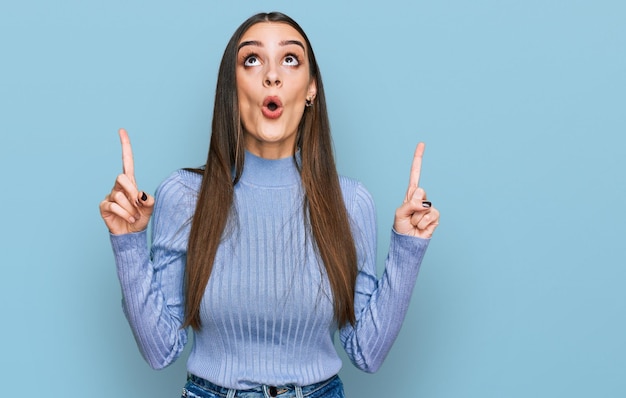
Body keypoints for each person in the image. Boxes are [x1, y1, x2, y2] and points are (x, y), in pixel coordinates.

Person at [99, 11, 440, 398]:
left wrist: (408, 247)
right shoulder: (184, 195)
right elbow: (160, 352)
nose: (272, 75)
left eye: (290, 59)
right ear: (233, 86)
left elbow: (367, 353)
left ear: (311, 89)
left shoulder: (350, 203)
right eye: (252, 60)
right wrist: (128, 243)